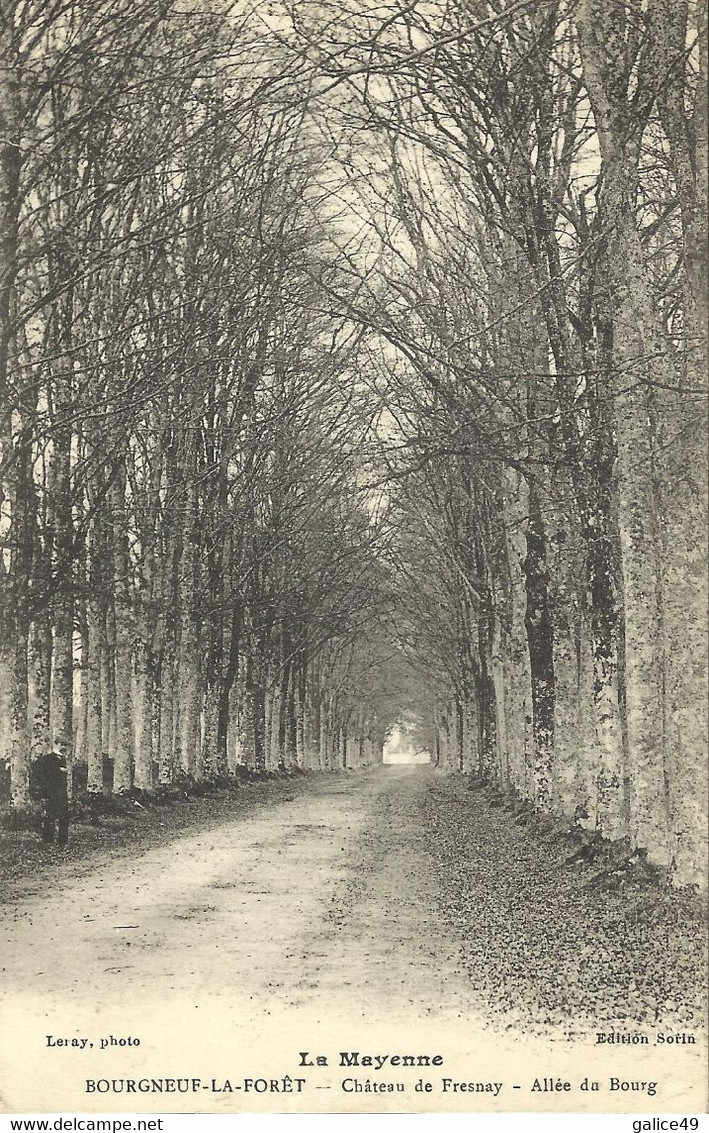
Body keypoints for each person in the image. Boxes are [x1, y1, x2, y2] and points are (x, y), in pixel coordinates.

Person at [30, 744, 70, 846]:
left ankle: (62, 840)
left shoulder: (62, 759)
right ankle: (49, 839)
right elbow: (45, 775)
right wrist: (59, 771)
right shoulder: (47, 759)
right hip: (51, 792)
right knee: (51, 815)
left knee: (63, 816)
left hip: (61, 792)